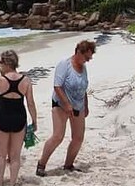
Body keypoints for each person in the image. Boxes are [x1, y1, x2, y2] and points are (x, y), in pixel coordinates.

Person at [36, 39, 95, 177]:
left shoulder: (83, 67)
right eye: (87, 57)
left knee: (78, 138)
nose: (88, 60)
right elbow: (57, 86)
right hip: (61, 105)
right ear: (78, 52)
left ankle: (68, 165)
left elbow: (83, 87)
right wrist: (67, 104)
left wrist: (86, 105)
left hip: (78, 106)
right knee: (58, 136)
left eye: (90, 57)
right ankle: (41, 164)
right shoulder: (65, 64)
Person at [0, 50, 38, 186]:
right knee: (15, 155)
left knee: (1, 153)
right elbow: (30, 103)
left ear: (6, 63)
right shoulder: (26, 80)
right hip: (19, 118)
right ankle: (12, 183)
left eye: (0, 63)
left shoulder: (0, 80)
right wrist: (34, 120)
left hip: (3, 118)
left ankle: (0, 182)